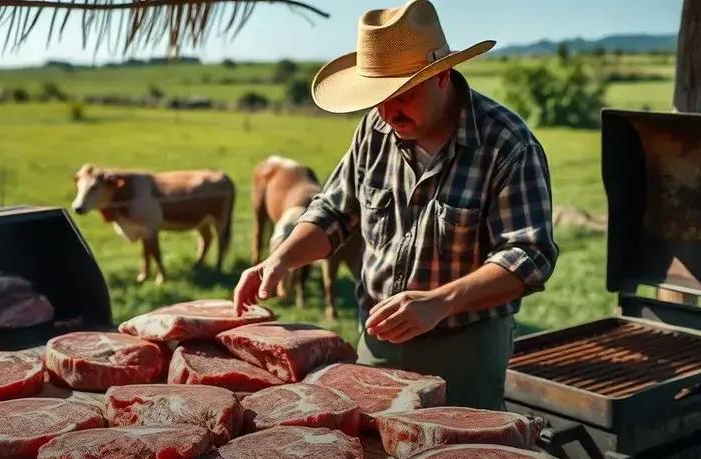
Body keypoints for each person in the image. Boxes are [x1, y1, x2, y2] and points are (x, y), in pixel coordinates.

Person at [233, 0, 558, 409]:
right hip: (377, 339)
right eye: (377, 97)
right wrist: (280, 259)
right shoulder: (377, 126)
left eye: (401, 93)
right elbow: (334, 211)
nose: (387, 112)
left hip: (463, 349)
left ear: (441, 74)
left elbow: (529, 256)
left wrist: (440, 302)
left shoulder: (507, 144)